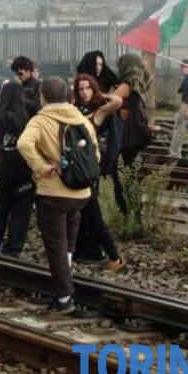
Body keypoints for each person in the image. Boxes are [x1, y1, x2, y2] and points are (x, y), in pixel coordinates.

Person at [17, 76, 102, 314]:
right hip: (82, 192)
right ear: (68, 96)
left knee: (56, 245)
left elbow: (24, 144)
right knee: (67, 244)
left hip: (53, 193)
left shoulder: (41, 120)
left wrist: (42, 167)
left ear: (43, 96)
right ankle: (66, 278)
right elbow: (95, 154)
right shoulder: (81, 119)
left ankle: (64, 297)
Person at [71, 74, 125, 271]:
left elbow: (117, 101)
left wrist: (100, 94)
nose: (84, 92)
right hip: (77, 168)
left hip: (90, 169)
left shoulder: (98, 111)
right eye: (81, 89)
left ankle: (114, 256)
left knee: (92, 212)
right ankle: (86, 251)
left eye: (88, 88)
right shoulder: (74, 109)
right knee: (83, 212)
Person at [0, 83, 35, 256]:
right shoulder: (27, 117)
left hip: (1, 171)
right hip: (24, 175)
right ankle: (13, 250)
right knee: (20, 214)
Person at [110, 53, 154, 215]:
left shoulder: (126, 84)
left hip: (125, 134)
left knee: (121, 176)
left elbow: (110, 101)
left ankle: (127, 212)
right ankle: (135, 212)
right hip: (137, 133)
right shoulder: (141, 81)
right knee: (132, 175)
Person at [168, 60, 188, 160]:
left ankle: (175, 153)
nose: (183, 69)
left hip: (187, 106)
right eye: (182, 67)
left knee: (179, 130)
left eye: (185, 67)